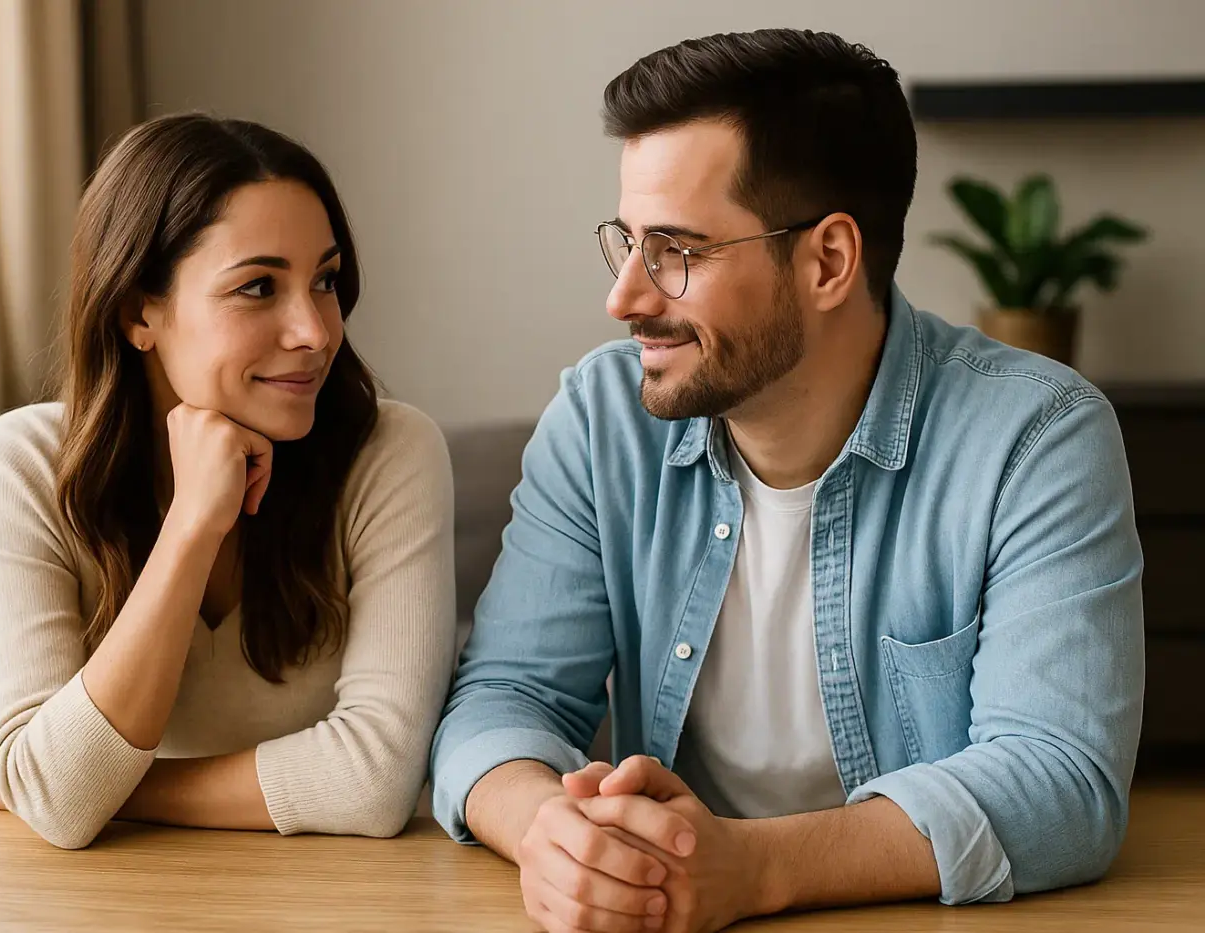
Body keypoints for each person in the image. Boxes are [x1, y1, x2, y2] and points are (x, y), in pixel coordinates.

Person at [430, 28, 1144, 933]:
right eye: (628, 241)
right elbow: (504, 697)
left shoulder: (1036, 437)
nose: (626, 297)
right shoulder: (601, 418)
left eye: (678, 251)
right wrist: (553, 837)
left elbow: (1062, 779)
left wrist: (752, 869)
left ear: (828, 261)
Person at [0, 114, 456, 849]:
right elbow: (58, 803)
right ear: (139, 312)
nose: (316, 331)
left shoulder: (392, 452)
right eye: (258, 286)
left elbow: (376, 780)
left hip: (335, 903)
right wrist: (193, 524)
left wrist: (106, 791)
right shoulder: (20, 467)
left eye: (324, 280)